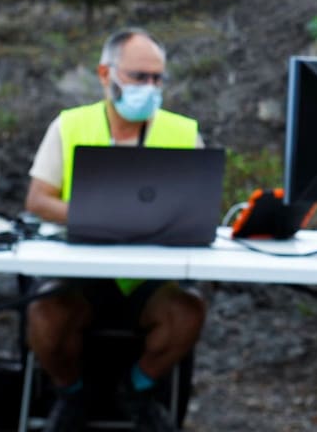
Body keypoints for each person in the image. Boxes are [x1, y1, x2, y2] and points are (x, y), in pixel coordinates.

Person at [24, 27, 206, 432]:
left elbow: (199, 206)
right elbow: (38, 200)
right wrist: (94, 216)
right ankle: (72, 394)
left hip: (149, 278)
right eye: (139, 77)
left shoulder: (183, 132)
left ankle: (137, 390)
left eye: (158, 78)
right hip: (80, 272)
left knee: (188, 312)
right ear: (106, 75)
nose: (150, 87)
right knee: (45, 315)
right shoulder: (69, 126)